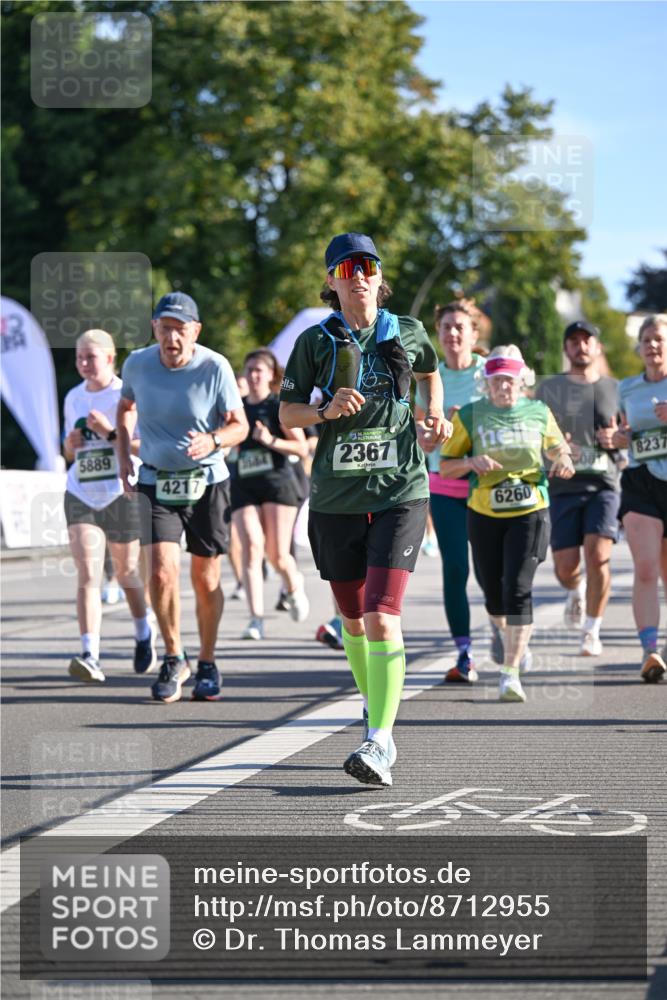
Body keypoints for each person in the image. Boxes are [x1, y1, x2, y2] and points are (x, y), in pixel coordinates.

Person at [279, 232, 450, 787]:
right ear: (331, 280)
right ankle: (374, 707)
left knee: (382, 615)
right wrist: (324, 410)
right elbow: (287, 415)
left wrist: (435, 416)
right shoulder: (314, 341)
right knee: (352, 620)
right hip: (336, 498)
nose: (359, 274)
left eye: (368, 265)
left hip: (401, 490)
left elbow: (429, 373)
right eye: (347, 267)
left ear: (380, 275)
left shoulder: (408, 331)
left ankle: (380, 739)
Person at [117, 292, 248, 703]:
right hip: (156, 481)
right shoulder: (137, 363)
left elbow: (239, 426)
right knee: (159, 573)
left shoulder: (215, 367)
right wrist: (124, 457)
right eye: (164, 327)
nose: (171, 337)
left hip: (207, 482)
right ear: (153, 328)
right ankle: (174, 655)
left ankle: (207, 659)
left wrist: (213, 439)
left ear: (196, 331)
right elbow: (124, 408)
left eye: (180, 328)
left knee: (205, 578)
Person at [441, 346, 575, 703]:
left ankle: (510, 673)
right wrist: (471, 462)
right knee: (492, 591)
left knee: (518, 588)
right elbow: (445, 466)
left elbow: (559, 449)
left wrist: (562, 460)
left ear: (522, 380)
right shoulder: (469, 415)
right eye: (497, 380)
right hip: (483, 511)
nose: (504, 386)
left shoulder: (538, 411)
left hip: (530, 509)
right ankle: (506, 635)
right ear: (486, 383)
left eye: (510, 380)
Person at [63, 329, 156, 683]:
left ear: (110, 358)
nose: (84, 364)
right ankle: (90, 654)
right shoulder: (72, 396)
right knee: (87, 573)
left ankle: (143, 629)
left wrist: (108, 433)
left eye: (91, 357)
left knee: (126, 573)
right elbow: (70, 451)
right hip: (81, 492)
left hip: (120, 492)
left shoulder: (125, 394)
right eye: (79, 358)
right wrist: (71, 445)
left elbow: (143, 446)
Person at [536, 321, 622, 656]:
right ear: (566, 349)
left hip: (605, 483)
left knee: (598, 555)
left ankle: (592, 630)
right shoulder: (549, 389)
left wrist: (618, 439)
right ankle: (576, 589)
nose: (580, 346)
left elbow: (630, 434)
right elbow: (534, 434)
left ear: (598, 347)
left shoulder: (616, 389)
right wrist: (555, 448)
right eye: (573, 341)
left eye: (587, 340)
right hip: (563, 486)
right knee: (565, 569)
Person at [416, 299, 486, 681]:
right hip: (443, 484)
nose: (452, 333)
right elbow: (417, 429)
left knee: (494, 573)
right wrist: (425, 438)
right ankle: (464, 653)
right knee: (455, 567)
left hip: (487, 486)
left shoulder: (487, 375)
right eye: (445, 327)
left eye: (460, 326)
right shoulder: (430, 377)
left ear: (474, 335)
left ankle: (506, 633)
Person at [596, 315, 667, 682]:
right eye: (647, 340)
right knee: (645, 568)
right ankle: (650, 651)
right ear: (638, 347)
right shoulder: (627, 388)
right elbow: (619, 432)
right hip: (641, 481)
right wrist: (618, 438)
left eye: (659, 339)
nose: (653, 346)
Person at [231, 349, 309, 639]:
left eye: (259, 371)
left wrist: (270, 440)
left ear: (270, 375)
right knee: (251, 547)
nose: (253, 376)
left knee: (277, 555)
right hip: (244, 485)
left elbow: (301, 447)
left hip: (277, 484)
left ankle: (293, 585)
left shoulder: (279, 407)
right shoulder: (236, 408)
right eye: (249, 369)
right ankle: (256, 619)